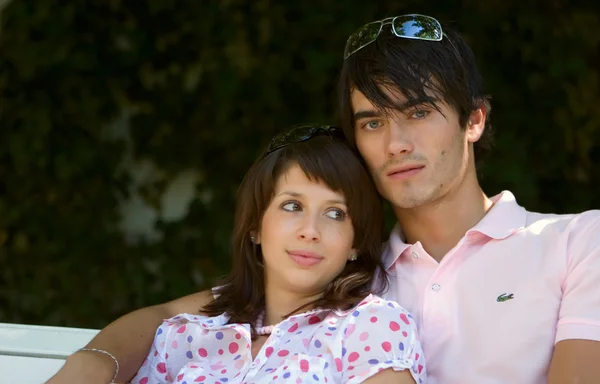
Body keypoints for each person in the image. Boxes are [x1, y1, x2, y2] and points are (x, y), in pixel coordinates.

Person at [47, 14, 600, 384]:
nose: (397, 142)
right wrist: (94, 363)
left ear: (474, 119)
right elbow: (177, 312)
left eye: (420, 112)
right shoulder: (349, 271)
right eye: (373, 120)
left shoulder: (576, 242)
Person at [51, 125, 426, 384]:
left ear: (355, 243)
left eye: (335, 213)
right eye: (292, 206)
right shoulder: (204, 327)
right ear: (254, 227)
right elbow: (161, 314)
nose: (310, 230)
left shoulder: (369, 325)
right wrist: (95, 360)